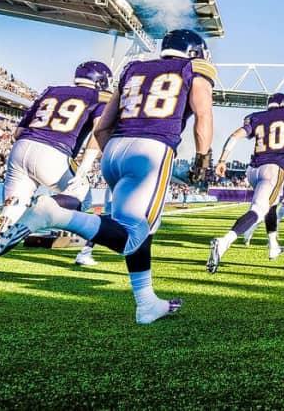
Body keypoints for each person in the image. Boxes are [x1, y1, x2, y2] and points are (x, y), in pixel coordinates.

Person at [13, 29, 215, 324]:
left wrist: (115, 155)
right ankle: (55, 215)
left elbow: (102, 127)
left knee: (142, 228)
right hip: (152, 150)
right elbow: (204, 115)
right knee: (131, 237)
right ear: (196, 52)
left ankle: (145, 302)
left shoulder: (133, 68)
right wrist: (203, 159)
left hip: (115, 148)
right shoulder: (193, 68)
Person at [0, 61, 113, 297]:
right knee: (81, 197)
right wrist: (84, 168)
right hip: (54, 152)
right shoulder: (99, 96)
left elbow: (18, 132)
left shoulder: (51, 90)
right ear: (103, 80)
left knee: (6, 217)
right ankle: (52, 224)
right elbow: (98, 131)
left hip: (21, 148)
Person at [207, 82, 284, 273]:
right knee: (259, 210)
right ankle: (224, 242)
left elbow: (234, 136)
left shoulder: (256, 117)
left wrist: (222, 159)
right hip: (274, 169)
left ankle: (273, 246)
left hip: (253, 170)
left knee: (270, 206)